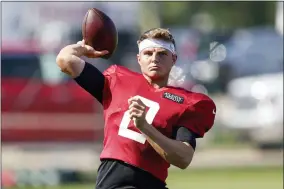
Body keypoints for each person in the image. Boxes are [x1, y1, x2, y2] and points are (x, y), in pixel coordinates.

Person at [56, 28, 216, 189]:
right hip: (112, 180)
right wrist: (83, 49)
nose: (155, 59)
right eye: (148, 53)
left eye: (162, 54)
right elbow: (65, 59)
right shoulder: (116, 81)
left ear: (174, 59)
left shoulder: (188, 102)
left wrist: (145, 126)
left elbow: (183, 158)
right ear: (139, 58)